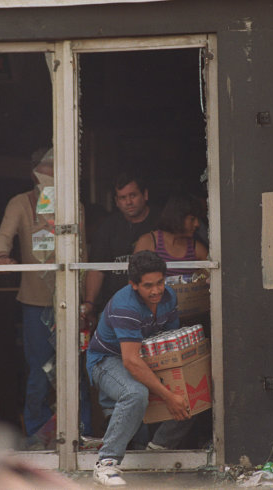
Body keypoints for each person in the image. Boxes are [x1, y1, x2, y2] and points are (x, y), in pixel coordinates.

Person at [86, 251, 192, 487]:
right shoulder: (125, 306)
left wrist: (176, 385)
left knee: (192, 386)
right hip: (106, 361)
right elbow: (131, 361)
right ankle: (106, 463)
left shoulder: (169, 297)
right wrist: (168, 395)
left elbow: (170, 339)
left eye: (160, 283)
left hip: (146, 356)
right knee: (135, 393)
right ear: (133, 285)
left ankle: (158, 448)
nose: (156, 291)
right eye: (148, 286)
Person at [0, 148, 58, 448]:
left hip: (74, 303)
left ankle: (80, 432)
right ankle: (37, 434)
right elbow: (3, 237)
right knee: (40, 371)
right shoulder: (20, 203)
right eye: (47, 168)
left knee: (78, 371)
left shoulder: (74, 205)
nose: (52, 174)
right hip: (35, 303)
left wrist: (89, 301)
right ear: (35, 172)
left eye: (57, 168)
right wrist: (2, 257)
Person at [80, 174, 159, 321]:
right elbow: (97, 268)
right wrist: (89, 303)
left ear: (145, 195)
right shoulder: (108, 227)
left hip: (153, 308)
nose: (128, 202)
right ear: (116, 201)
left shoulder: (161, 222)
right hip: (114, 308)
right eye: (122, 198)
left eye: (133, 195)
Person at [134, 194, 208, 276]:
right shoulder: (148, 242)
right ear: (178, 217)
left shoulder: (197, 249)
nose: (197, 224)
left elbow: (212, 281)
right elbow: (134, 281)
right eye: (192, 219)